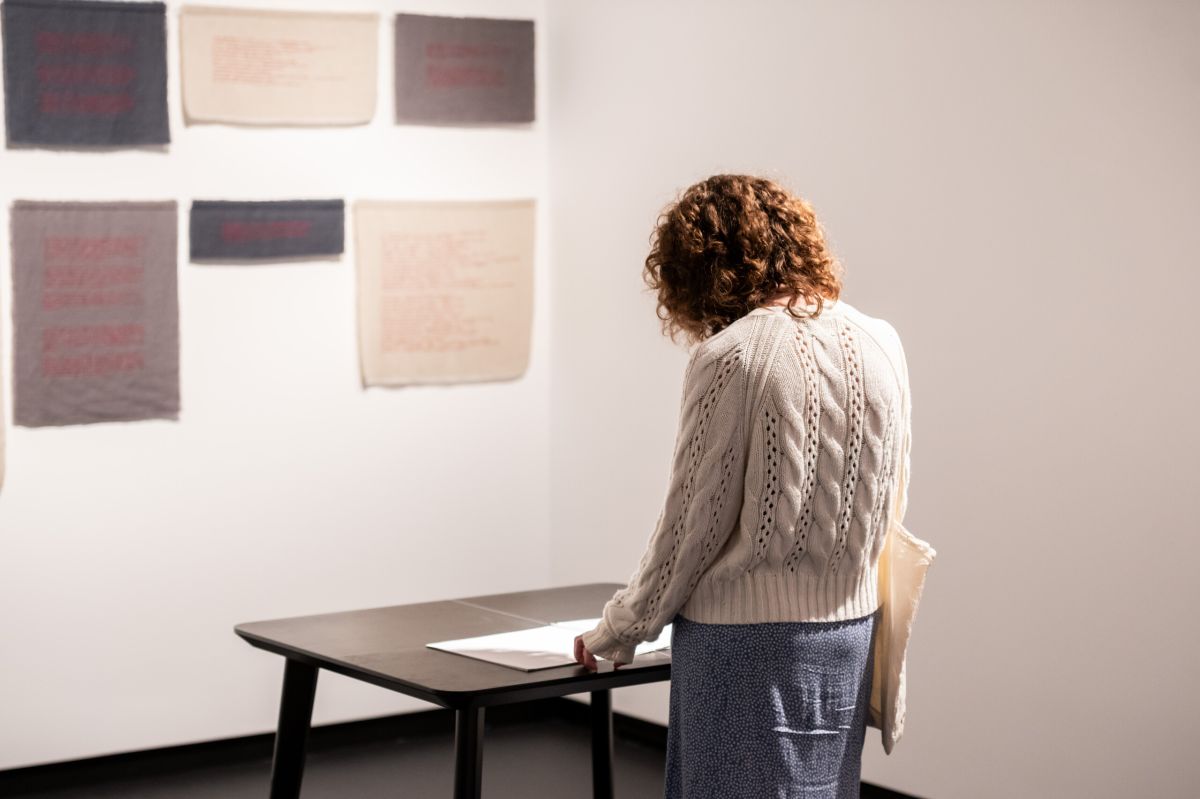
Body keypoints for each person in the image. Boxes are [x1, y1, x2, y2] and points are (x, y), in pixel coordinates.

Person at [572, 173, 913, 798]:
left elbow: (688, 531)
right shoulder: (880, 340)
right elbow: (891, 502)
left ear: (697, 270)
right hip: (852, 634)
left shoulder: (734, 356)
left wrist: (620, 629)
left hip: (748, 649)